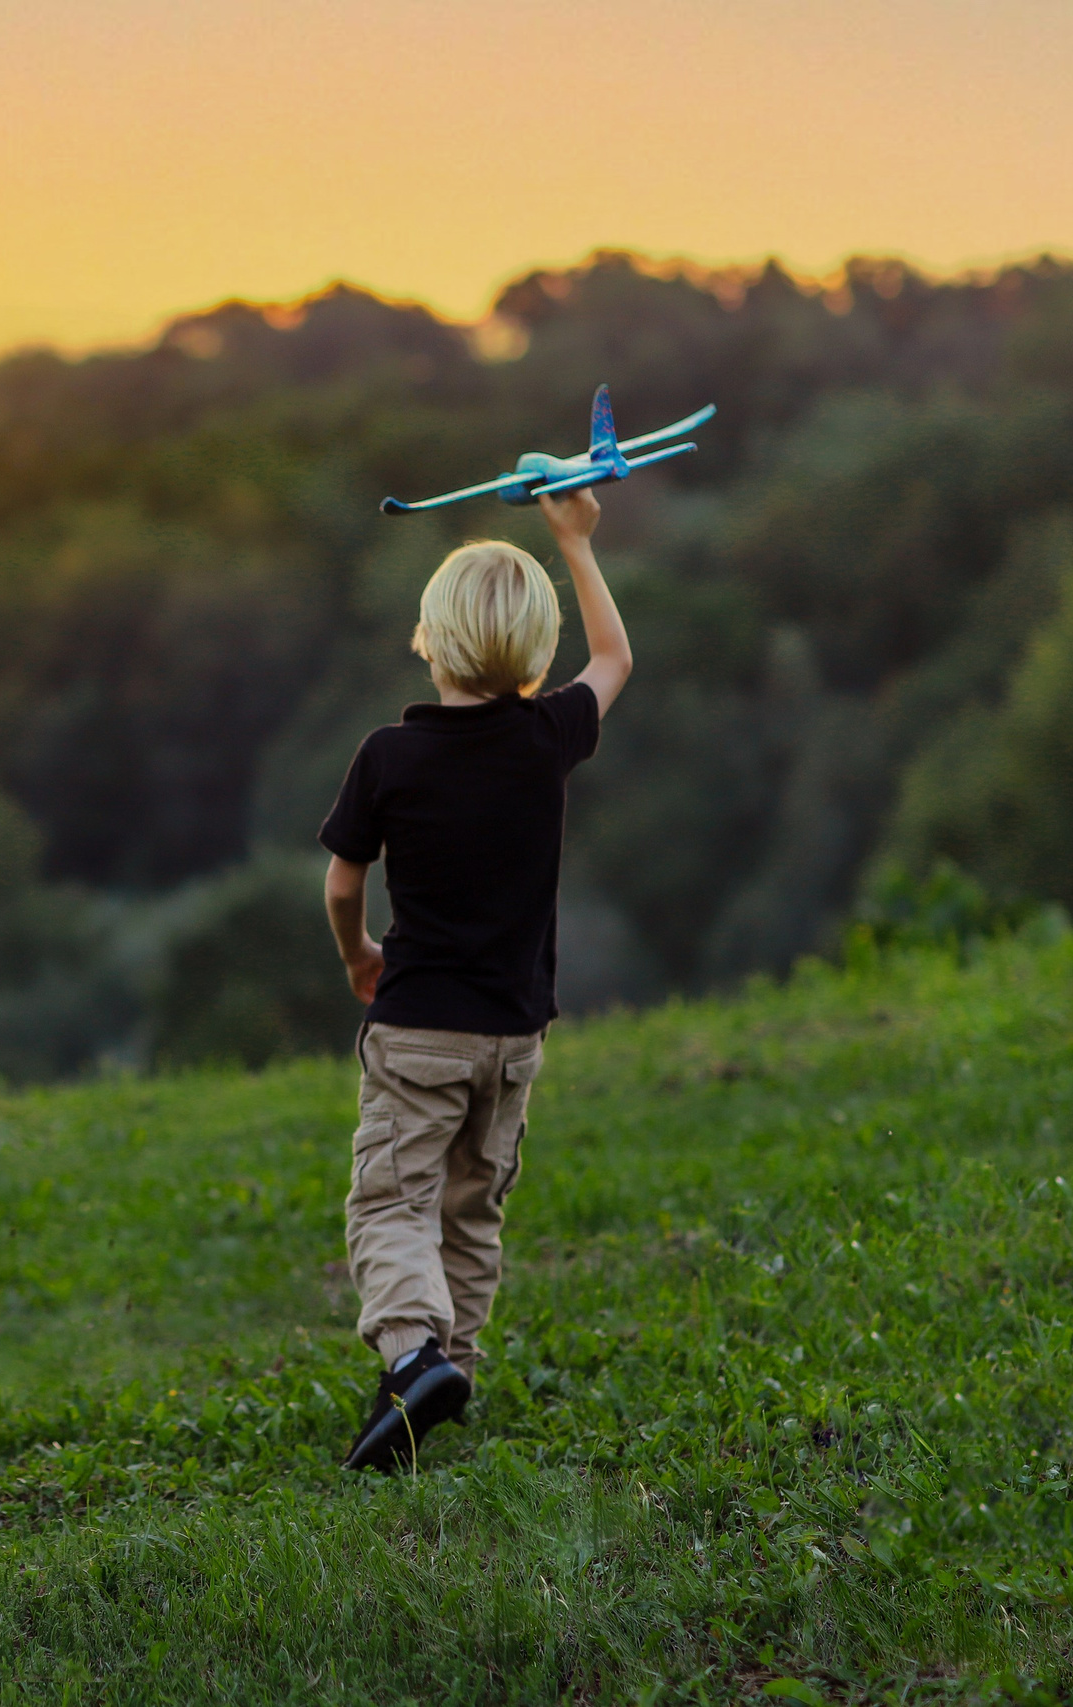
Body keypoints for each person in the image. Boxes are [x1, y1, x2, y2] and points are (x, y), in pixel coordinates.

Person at [318, 487, 629, 1473]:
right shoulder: (547, 740)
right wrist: (575, 544)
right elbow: (615, 659)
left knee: (391, 1204)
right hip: (513, 1035)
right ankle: (444, 1373)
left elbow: (339, 885)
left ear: (430, 639)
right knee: (469, 1204)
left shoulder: (389, 756)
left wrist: (357, 954)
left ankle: (412, 1355)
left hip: (418, 1029)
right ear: (534, 652)